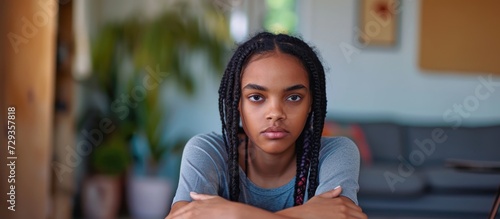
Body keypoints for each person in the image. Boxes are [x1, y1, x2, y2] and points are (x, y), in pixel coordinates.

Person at [166, 31, 367, 219]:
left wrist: (233, 213)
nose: (276, 114)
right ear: (237, 103)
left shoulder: (336, 153)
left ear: (311, 104)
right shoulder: (207, 151)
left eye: (294, 97)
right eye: (256, 97)